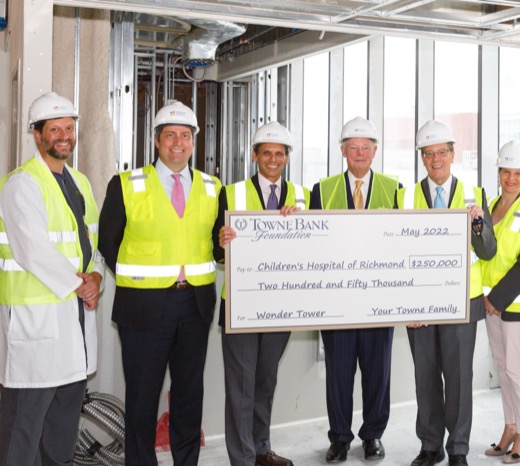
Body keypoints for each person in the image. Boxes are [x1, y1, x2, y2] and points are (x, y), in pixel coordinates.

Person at [99, 101, 223, 466]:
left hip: (195, 306)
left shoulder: (212, 187)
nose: (178, 143)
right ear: (156, 141)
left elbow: (218, 243)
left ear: (194, 142)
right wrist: (141, 279)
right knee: (142, 398)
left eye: (185, 136)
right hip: (143, 310)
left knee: (188, 396)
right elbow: (108, 244)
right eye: (170, 135)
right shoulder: (127, 184)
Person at [0, 92, 104, 465]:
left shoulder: (80, 183)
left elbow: (92, 242)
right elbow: (33, 249)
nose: (63, 135)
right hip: (37, 330)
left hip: (74, 325)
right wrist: (81, 284)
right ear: (38, 135)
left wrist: (95, 276)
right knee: (22, 433)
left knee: (61, 434)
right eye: (54, 129)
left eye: (69, 128)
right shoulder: (21, 184)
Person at [396, 120, 496, 466]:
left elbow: (488, 251)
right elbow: (395, 252)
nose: (435, 159)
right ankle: (430, 445)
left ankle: (458, 448)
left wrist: (479, 226)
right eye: (428, 153)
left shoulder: (475, 195)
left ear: (452, 154)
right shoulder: (405, 196)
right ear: (422, 158)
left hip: (461, 302)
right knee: (425, 375)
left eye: (441, 152)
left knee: (458, 377)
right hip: (419, 302)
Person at [217, 122, 309, 466]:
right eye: (266, 152)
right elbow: (215, 248)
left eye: (279, 153)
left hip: (281, 305)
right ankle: (241, 458)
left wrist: (304, 226)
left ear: (287, 158)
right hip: (241, 304)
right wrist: (222, 241)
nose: (273, 159)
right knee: (240, 386)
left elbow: (316, 248)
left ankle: (261, 449)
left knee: (265, 381)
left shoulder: (303, 197)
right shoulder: (232, 193)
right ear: (255, 155)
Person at [309, 116, 400, 463]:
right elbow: (314, 242)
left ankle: (373, 435)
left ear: (375, 151)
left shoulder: (396, 189)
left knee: (378, 373)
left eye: (366, 147)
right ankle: (340, 438)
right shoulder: (323, 189)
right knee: (339, 373)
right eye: (353, 147)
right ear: (343, 151)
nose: (359, 153)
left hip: (379, 301)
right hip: (338, 302)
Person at [482, 141, 520, 464]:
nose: (510, 178)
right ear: (499, 174)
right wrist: (486, 297)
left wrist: (496, 298)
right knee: (503, 368)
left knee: (517, 370)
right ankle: (509, 426)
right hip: (492, 303)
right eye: (506, 172)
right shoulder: (490, 206)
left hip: (518, 306)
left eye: (517, 173)